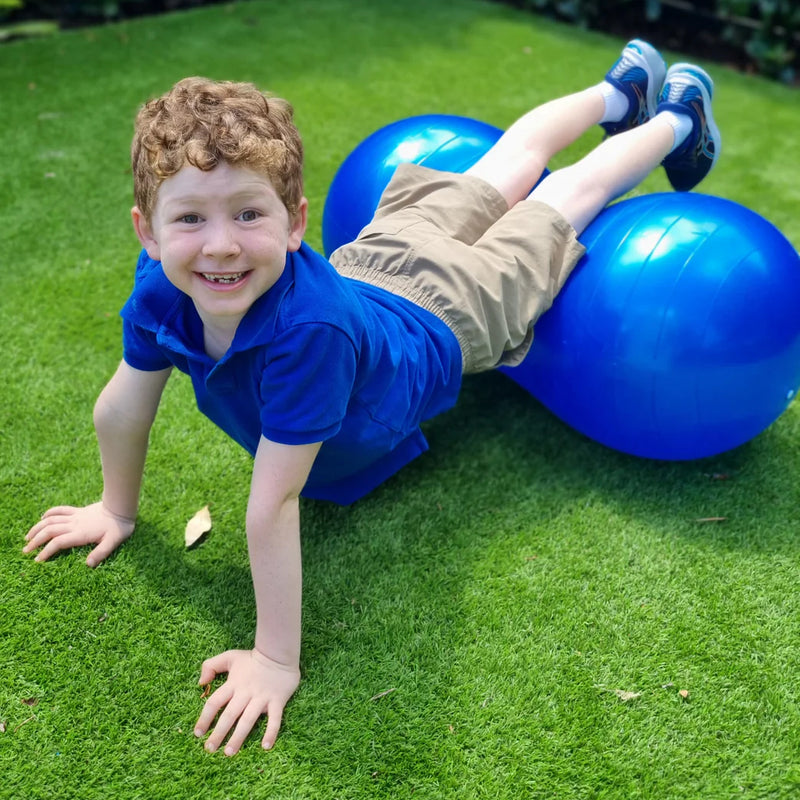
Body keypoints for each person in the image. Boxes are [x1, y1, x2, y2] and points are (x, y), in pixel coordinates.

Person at [24, 40, 720, 756]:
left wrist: (274, 660)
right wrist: (115, 507)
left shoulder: (305, 335)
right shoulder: (160, 286)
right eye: (191, 220)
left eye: (248, 215)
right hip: (379, 263)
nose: (222, 245)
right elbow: (123, 404)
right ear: (148, 232)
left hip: (454, 315)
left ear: (296, 224)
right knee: (501, 166)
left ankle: (677, 120)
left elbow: (272, 504)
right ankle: (618, 93)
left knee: (559, 195)